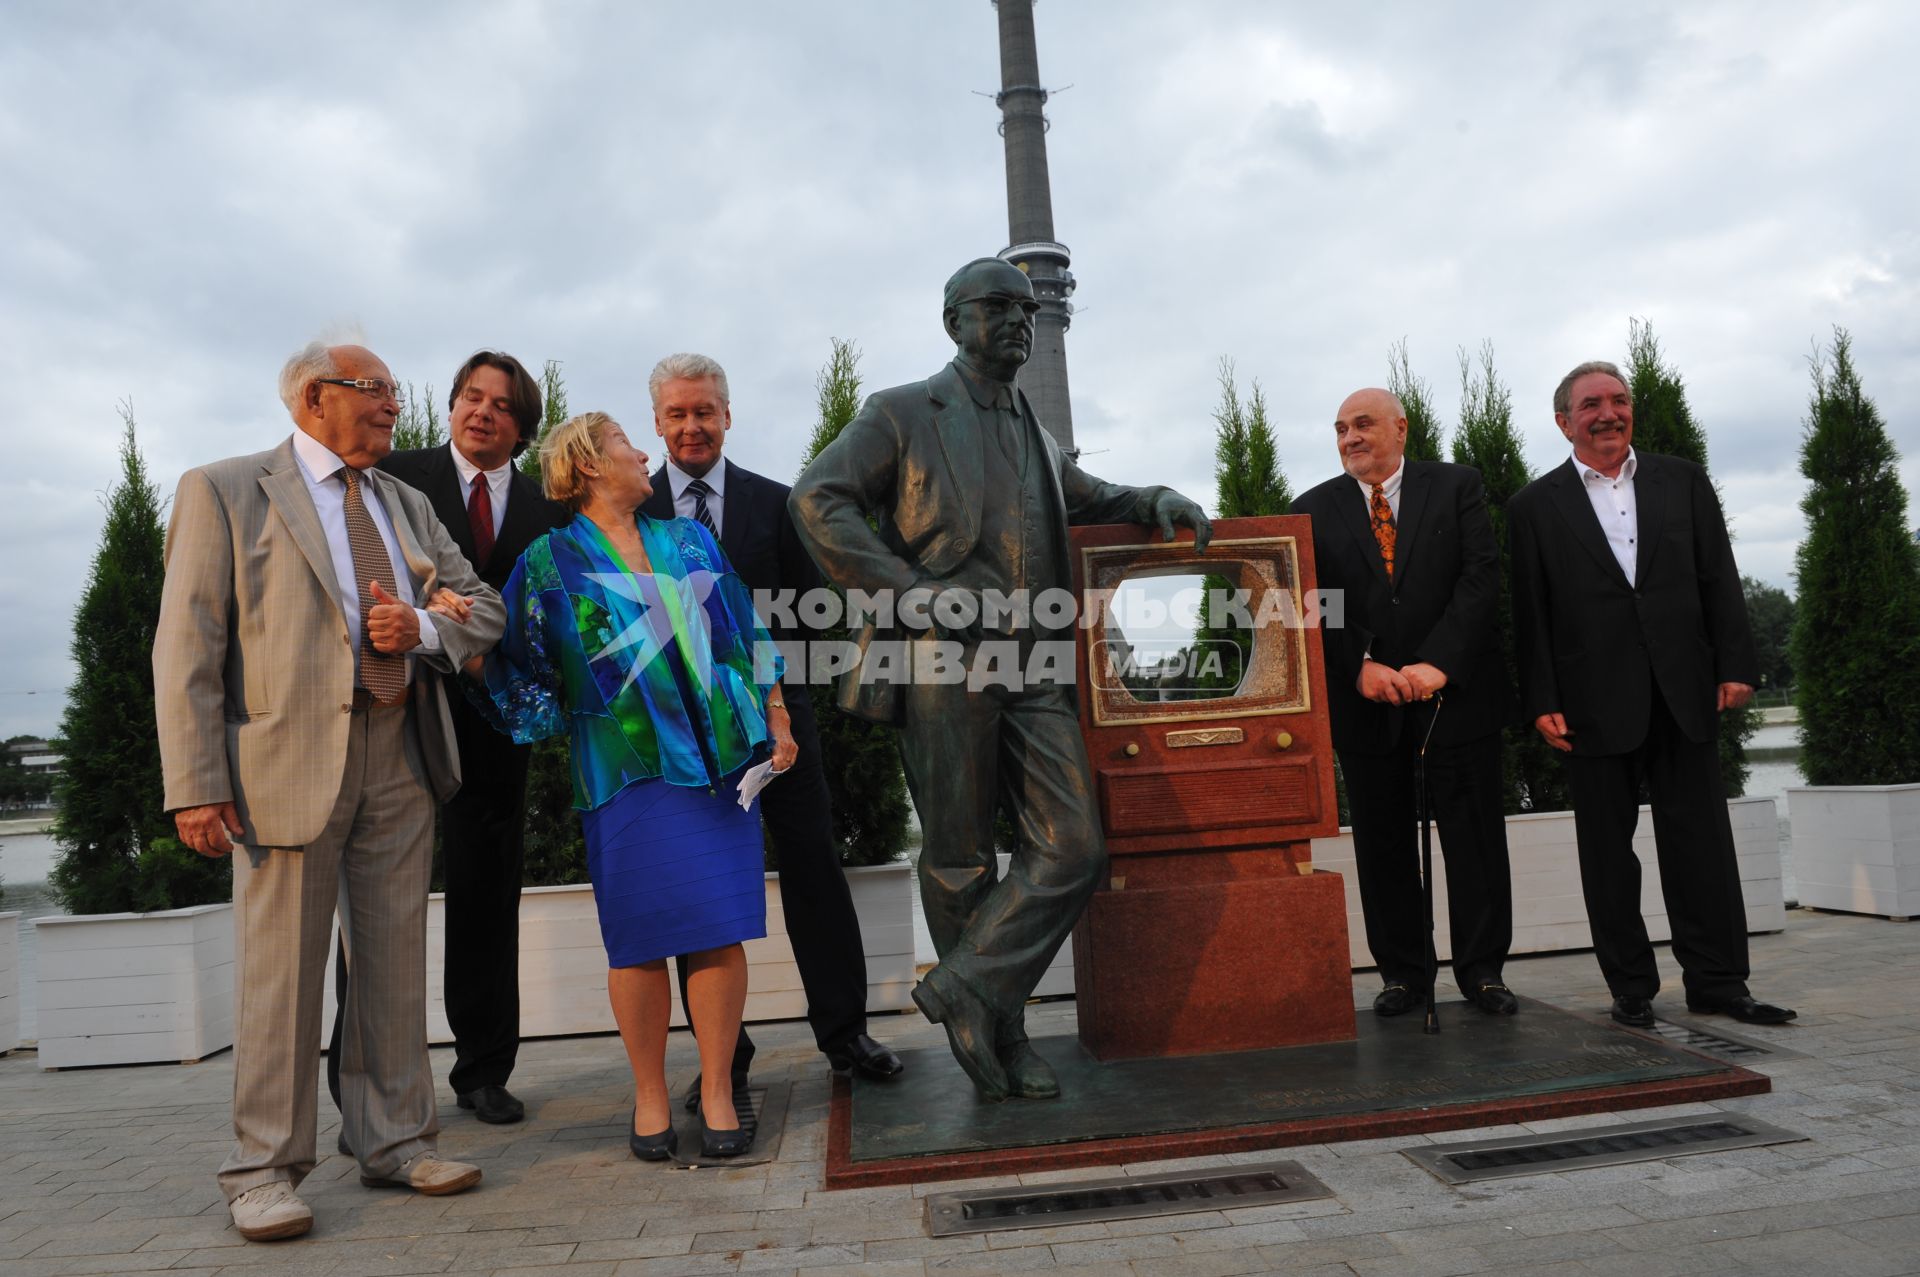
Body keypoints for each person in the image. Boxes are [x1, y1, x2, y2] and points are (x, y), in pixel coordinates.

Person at [789, 257, 1212, 1101]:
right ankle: (1001, 1033)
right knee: (957, 857)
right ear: (954, 321)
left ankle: (965, 987)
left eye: (1027, 308)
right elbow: (817, 498)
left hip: (1036, 660)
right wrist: (912, 595)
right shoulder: (902, 412)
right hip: (943, 657)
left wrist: (1151, 495)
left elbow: (1085, 493)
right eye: (998, 306)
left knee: (1075, 847)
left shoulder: (1036, 429)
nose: (1019, 319)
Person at [154, 341, 504, 1242]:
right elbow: (187, 645)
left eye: (393, 390)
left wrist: (422, 624)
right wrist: (195, 783)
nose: (395, 404)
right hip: (282, 770)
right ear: (317, 396)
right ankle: (263, 1169)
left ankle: (394, 1140)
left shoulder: (406, 502)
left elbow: (484, 609)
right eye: (378, 389)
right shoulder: (225, 489)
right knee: (281, 976)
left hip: (400, 753)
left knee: (393, 964)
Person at [469, 410, 796, 1160]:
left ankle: (717, 1089)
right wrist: (466, 650)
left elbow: (747, 633)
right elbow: (516, 660)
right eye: (625, 443)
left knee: (718, 929)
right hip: (622, 776)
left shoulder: (687, 539)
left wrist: (777, 716)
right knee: (639, 941)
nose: (643, 453)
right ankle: (649, 1094)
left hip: (719, 771)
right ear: (587, 464)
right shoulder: (549, 561)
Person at [639, 353, 904, 1099]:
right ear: (656, 422)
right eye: (677, 414)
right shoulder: (633, 511)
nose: (692, 426)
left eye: (705, 411)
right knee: (699, 887)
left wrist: (761, 690)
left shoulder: (779, 503)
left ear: (728, 414)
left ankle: (846, 1033)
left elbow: (811, 612)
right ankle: (728, 1055)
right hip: (679, 738)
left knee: (813, 866)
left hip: (777, 724)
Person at [1510, 360, 1796, 1029]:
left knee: (1701, 844)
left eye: (1618, 400)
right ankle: (1631, 987)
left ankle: (1720, 982)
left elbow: (1718, 573)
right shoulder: (1533, 506)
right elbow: (1532, 611)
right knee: (1607, 853)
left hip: (1683, 689)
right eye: (1591, 405)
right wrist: (1540, 697)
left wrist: (1736, 663)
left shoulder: (1684, 481)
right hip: (1588, 701)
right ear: (1564, 421)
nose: (1607, 413)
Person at [325, 351, 568, 1130]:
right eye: (470, 396)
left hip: (497, 728)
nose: (482, 412)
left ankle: (485, 1067)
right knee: (368, 897)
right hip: (396, 710)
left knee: (486, 898)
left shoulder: (547, 511)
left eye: (501, 404)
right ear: (454, 405)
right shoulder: (393, 477)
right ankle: (352, 1070)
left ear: (521, 426)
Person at [1293, 389, 1518, 1018]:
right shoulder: (1311, 509)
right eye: (1340, 429)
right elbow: (1313, 602)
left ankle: (1483, 975)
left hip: (1458, 698)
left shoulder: (1457, 487)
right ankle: (1403, 977)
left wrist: (1437, 663)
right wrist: (1359, 665)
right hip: (1367, 706)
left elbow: (1481, 578)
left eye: (1363, 425)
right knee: (1383, 847)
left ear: (1400, 428)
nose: (1349, 438)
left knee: (1474, 842)